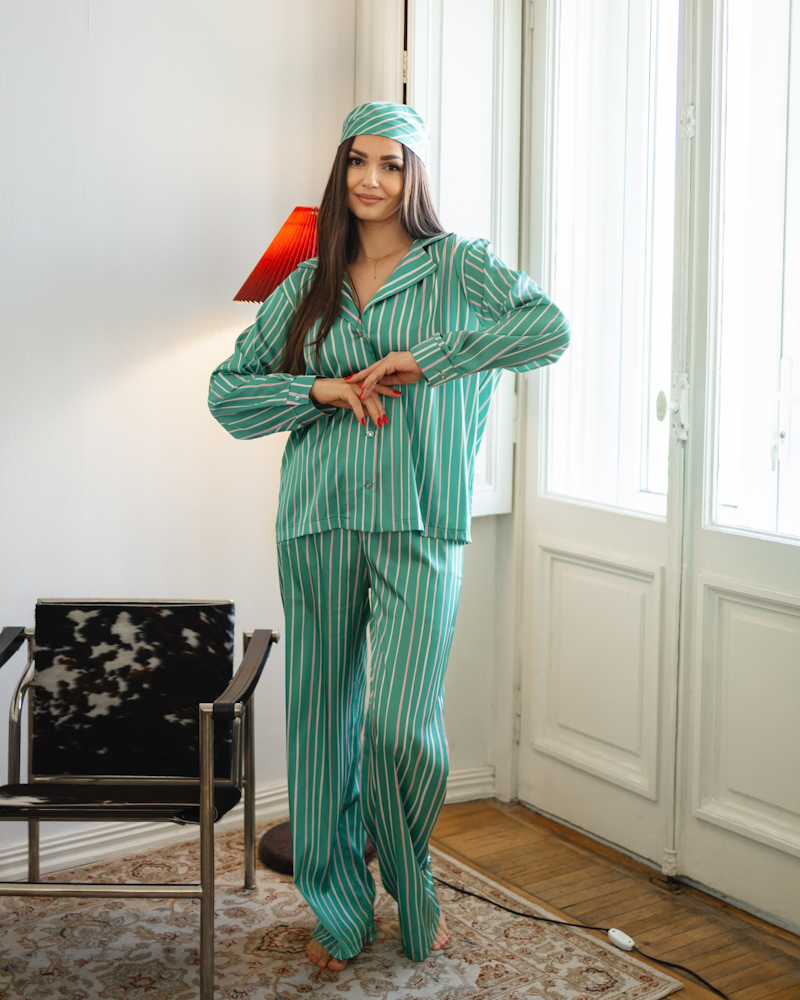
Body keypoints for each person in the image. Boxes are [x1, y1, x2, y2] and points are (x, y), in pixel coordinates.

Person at [208, 101, 570, 972]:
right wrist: (318, 390)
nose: (372, 179)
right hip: (320, 520)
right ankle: (336, 905)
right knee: (322, 722)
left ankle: (414, 887)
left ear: (415, 175)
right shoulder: (307, 283)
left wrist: (428, 359)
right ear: (340, 171)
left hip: (420, 519)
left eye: (392, 163)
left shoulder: (460, 267)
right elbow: (227, 393)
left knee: (404, 727)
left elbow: (546, 331)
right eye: (358, 161)